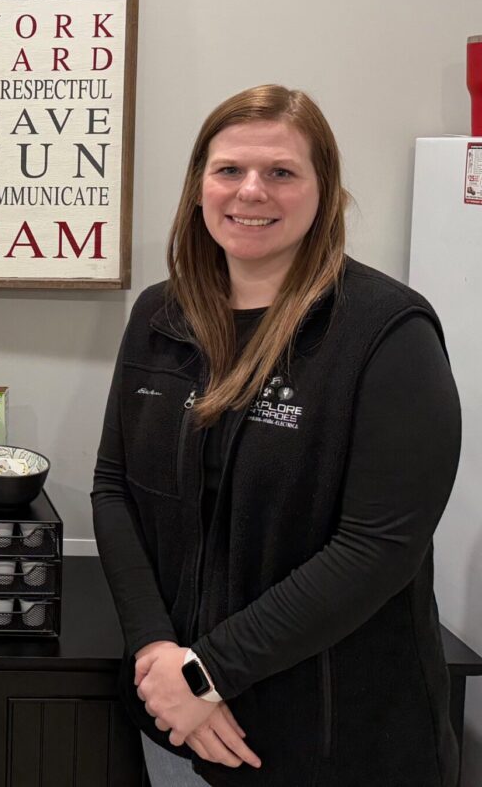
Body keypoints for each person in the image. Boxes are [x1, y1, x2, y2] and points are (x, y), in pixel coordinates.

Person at [91, 84, 461, 787]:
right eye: (229, 170)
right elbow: (115, 490)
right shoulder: (160, 316)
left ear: (324, 192)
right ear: (200, 185)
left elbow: (378, 547)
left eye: (281, 173)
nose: (250, 191)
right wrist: (156, 656)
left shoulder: (386, 332)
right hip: (175, 722)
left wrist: (206, 674)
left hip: (333, 747)